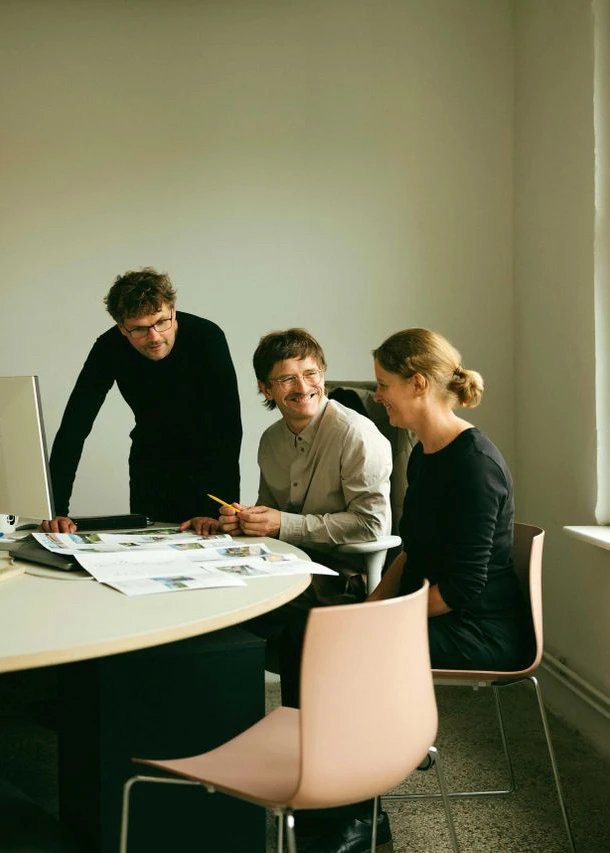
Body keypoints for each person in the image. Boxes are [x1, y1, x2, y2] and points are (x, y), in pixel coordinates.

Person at [312, 327, 533, 853]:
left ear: (417, 383)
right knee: (332, 637)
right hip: (442, 611)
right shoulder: (425, 453)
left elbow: (462, 589)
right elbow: (411, 553)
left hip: (481, 628)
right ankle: (335, 784)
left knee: (354, 655)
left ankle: (363, 816)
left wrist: (378, 626)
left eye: (383, 384)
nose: (377, 395)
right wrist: (371, 607)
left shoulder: (475, 466)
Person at [43, 267, 242, 533]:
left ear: (172, 310)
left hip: (208, 468)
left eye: (161, 322)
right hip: (150, 467)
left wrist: (215, 510)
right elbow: (74, 427)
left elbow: (228, 428)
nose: (154, 337)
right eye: (139, 329)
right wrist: (55, 510)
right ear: (122, 328)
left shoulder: (207, 337)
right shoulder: (108, 347)